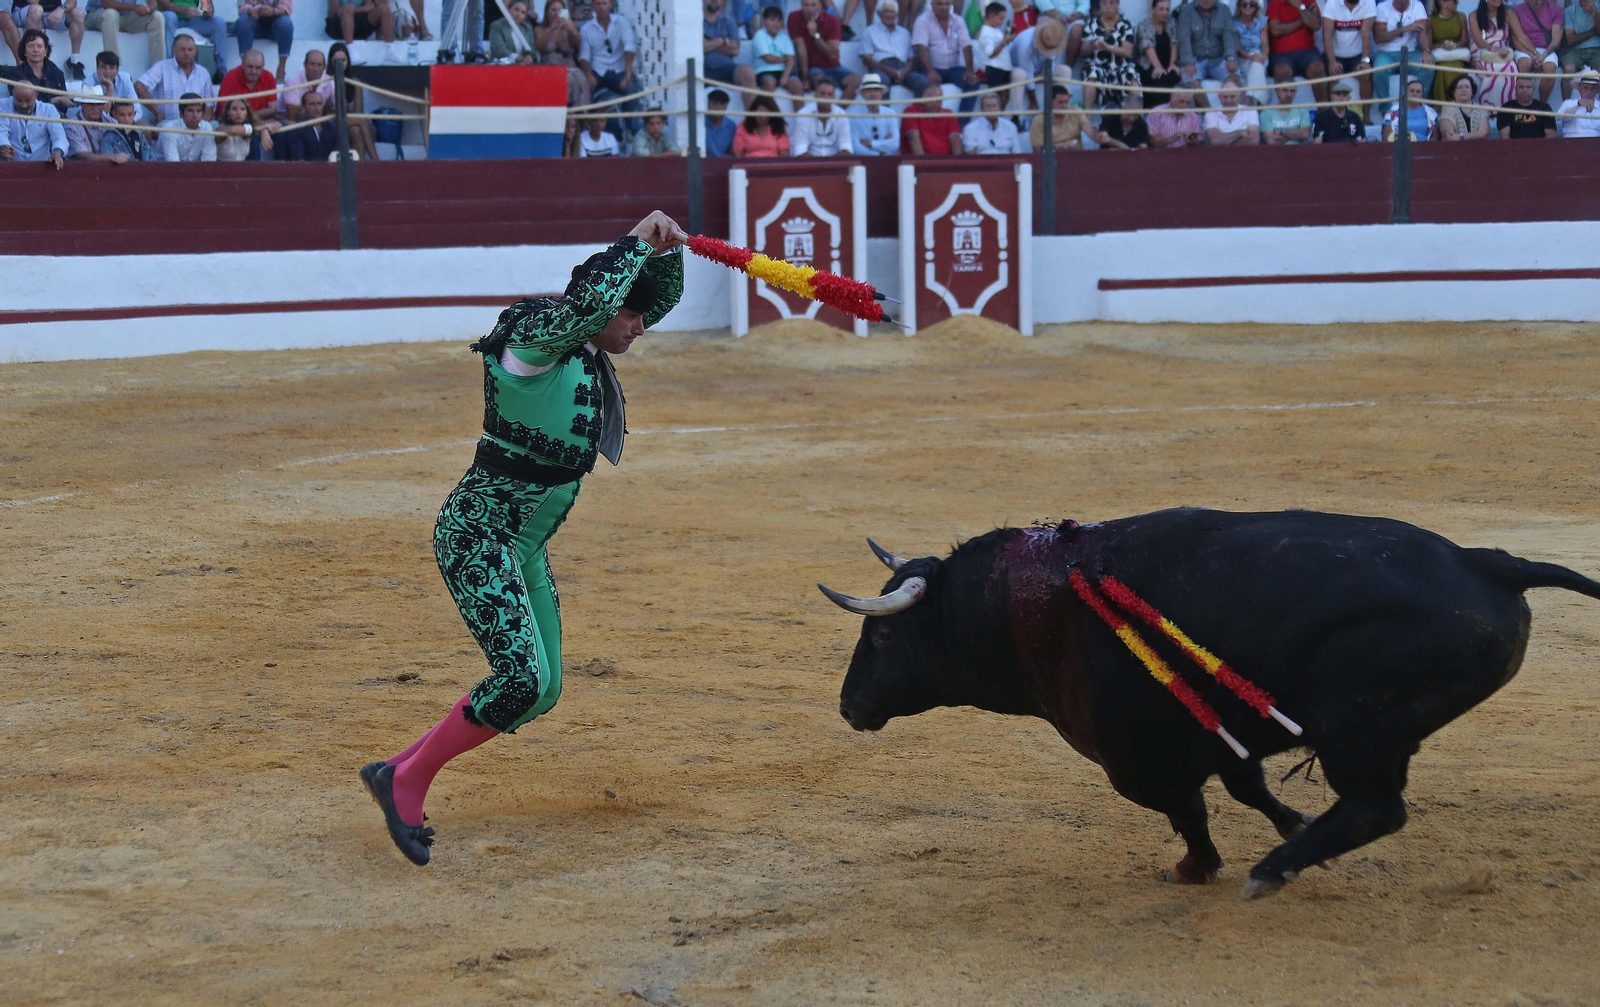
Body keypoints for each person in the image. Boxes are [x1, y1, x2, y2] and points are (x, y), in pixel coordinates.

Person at [359, 211, 688, 868]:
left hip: (523, 545)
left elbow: (659, 296)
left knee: (543, 687)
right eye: (630, 313)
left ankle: (397, 768)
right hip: (479, 537)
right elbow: (591, 302)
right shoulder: (532, 341)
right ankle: (407, 781)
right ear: (596, 306)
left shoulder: (587, 343)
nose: (640, 325)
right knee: (521, 677)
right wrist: (630, 243)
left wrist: (666, 252)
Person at [579, 0, 639, 138]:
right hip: (597, 71)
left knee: (631, 87)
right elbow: (584, 55)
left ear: (610, 5)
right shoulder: (586, 28)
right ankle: (584, 129)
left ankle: (630, 127)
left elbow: (629, 47)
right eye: (598, 4)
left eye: (604, 3)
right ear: (593, 6)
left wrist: (628, 72)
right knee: (583, 88)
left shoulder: (621, 22)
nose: (601, 7)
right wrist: (588, 75)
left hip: (618, 70)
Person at [912, 0, 977, 110]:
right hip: (931, 68)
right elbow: (921, 48)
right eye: (940, 3)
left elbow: (967, 46)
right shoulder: (922, 21)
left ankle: (961, 123)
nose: (943, 7)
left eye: (946, 4)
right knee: (923, 83)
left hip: (953, 69)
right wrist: (930, 70)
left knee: (972, 82)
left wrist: (970, 70)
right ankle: (922, 120)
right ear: (932, 4)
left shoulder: (958, 21)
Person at [134, 30, 212, 123]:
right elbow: (139, 86)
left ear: (195, 51)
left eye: (190, 50)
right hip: (168, 124)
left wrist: (201, 126)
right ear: (174, 51)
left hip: (196, 126)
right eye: (182, 49)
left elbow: (209, 107)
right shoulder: (162, 67)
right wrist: (157, 112)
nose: (187, 53)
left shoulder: (203, 72)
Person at [792, 0, 859, 98]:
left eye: (813, 5)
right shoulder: (794, 17)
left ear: (820, 5)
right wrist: (805, 77)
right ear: (801, 5)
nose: (809, 8)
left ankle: (837, 110)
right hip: (813, 68)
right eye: (806, 5)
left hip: (833, 67)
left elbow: (832, 52)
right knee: (822, 83)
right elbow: (801, 49)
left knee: (856, 81)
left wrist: (815, 35)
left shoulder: (832, 20)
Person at [1373, 0, 1433, 107]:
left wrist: (1426, 51)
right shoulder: (1382, 7)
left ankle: (1419, 105)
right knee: (1379, 71)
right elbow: (1379, 38)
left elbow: (1423, 32)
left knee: (1428, 68)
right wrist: (1404, 29)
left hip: (1410, 53)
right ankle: (1386, 110)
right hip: (1386, 53)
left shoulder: (1417, 5)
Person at [1321, 0, 1375, 117]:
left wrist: (1365, 61)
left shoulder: (1369, 2)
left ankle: (1366, 116)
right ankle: (1331, 115)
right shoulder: (1332, 3)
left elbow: (1366, 33)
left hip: (1357, 55)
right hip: (1336, 55)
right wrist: (1332, 62)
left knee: (1366, 74)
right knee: (1333, 74)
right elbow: (1327, 35)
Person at [1082, 0, 1138, 109]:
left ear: (1117, 5)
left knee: (1131, 74)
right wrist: (1094, 45)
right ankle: (1087, 117)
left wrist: (1108, 47)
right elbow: (1083, 51)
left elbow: (1127, 52)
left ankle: (1136, 115)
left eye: (1112, 3)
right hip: (1097, 64)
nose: (1108, 6)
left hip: (1121, 65)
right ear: (1100, 5)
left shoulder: (1126, 24)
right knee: (1092, 73)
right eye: (1104, 3)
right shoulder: (1091, 24)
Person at [1267, 0, 1327, 101]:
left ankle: (1323, 112)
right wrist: (1302, 21)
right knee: (1282, 71)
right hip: (1281, 54)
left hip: (1307, 51)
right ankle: (1284, 113)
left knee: (1318, 69)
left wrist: (1300, 6)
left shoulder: (1310, 1)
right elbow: (1275, 30)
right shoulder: (1275, 2)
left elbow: (1316, 25)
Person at [12, 0, 88, 78]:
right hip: (26, 11)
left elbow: (72, 2)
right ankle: (34, 63)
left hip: (52, 14)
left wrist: (61, 9)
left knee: (78, 14)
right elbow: (33, 1)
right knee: (37, 10)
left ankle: (74, 61)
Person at [1006, 17, 1067, 115]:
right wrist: (1033, 101)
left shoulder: (1054, 38)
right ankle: (1016, 116)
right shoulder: (1025, 44)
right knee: (1020, 74)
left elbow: (1050, 67)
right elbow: (1027, 72)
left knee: (1065, 70)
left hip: (1038, 72)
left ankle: (1061, 109)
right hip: (1019, 69)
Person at [536, 0, 589, 107]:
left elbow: (577, 44)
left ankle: (581, 117)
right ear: (547, 12)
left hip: (570, 66)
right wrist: (551, 29)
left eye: (559, 10)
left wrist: (571, 30)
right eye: (553, 10)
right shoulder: (539, 29)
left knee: (580, 80)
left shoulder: (571, 25)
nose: (556, 13)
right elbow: (540, 47)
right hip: (551, 66)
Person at [156, 0, 228, 80]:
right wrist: (186, 10)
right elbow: (163, 5)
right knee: (169, 16)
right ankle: (170, 69)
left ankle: (221, 72)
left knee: (219, 23)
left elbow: (207, 7)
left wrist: (206, 12)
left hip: (192, 20)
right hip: (173, 18)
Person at [84, 0, 166, 69]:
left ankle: (157, 70)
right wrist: (134, 7)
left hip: (125, 16)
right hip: (98, 13)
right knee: (111, 14)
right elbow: (107, 3)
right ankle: (114, 67)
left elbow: (153, 4)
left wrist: (147, 8)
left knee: (157, 17)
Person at [0, 82, 67, 166]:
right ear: (12, 94)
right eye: (18, 100)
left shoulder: (48, 110)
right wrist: (4, 147)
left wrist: (57, 153)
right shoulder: (2, 105)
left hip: (42, 166)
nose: (23, 105)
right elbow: (2, 131)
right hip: (10, 165)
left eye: (28, 101)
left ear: (36, 95)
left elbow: (59, 137)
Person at [1511, 0, 1564, 102]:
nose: (1537, 2)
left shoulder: (1556, 9)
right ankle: (1523, 102)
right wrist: (1534, 55)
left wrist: (1542, 56)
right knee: (1524, 63)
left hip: (1546, 49)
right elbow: (1516, 39)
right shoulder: (1517, 10)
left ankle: (1542, 105)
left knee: (1550, 68)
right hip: (1524, 49)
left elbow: (1556, 41)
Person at [4, 29, 69, 111]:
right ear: (24, 51)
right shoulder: (16, 74)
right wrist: (56, 100)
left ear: (46, 51)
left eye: (39, 46)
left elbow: (64, 104)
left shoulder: (55, 72)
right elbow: (22, 104)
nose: (35, 50)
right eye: (31, 46)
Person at [1176, 0, 1238, 84]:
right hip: (1195, 60)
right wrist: (1188, 62)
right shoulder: (1186, 11)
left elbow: (1229, 37)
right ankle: (1204, 98)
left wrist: (1230, 58)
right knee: (1191, 83)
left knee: (1235, 79)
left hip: (1218, 59)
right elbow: (1184, 39)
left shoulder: (1224, 10)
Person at [215, 48, 279, 126]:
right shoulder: (230, 77)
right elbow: (224, 111)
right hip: (232, 124)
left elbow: (272, 109)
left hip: (260, 122)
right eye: (250, 67)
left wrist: (247, 116)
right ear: (242, 64)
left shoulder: (269, 77)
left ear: (263, 67)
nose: (253, 71)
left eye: (258, 68)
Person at [64, 86, 129, 161]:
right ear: (82, 105)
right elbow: (83, 156)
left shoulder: (111, 122)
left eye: (99, 104)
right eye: (91, 104)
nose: (95, 108)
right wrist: (111, 157)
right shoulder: (72, 125)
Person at [792, 77, 855, 154]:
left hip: (835, 162)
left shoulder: (841, 115)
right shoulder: (803, 114)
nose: (826, 97)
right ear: (815, 94)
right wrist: (819, 165)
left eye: (830, 94)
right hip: (809, 163)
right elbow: (800, 149)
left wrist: (831, 164)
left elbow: (846, 146)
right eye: (822, 93)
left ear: (834, 97)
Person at [1470, 0, 1516, 106]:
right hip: (1482, 52)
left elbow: (1520, 34)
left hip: (1502, 52)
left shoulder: (1508, 12)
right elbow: (1479, 41)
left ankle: (1507, 107)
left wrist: (1534, 53)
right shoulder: (1474, 15)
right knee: (1494, 69)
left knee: (1511, 67)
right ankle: (1490, 108)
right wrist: (1494, 49)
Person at [1138, 0, 1182, 107]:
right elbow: (1148, 47)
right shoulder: (1144, 25)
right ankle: (1157, 114)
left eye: (1167, 9)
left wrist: (1172, 64)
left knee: (1173, 76)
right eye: (1161, 9)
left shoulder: (1171, 23)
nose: (1165, 12)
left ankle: (1171, 112)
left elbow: (1174, 43)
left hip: (1168, 64)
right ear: (1153, 10)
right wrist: (1158, 67)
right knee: (1159, 78)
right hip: (1150, 66)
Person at [702, 0, 755, 90]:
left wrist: (708, 44)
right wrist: (722, 41)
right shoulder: (695, 21)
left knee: (747, 72)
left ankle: (755, 104)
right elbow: (697, 48)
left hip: (726, 68)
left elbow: (735, 51)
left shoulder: (728, 21)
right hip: (703, 70)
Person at [235, 0, 292, 80]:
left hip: (275, 23)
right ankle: (244, 66)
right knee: (243, 21)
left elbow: (286, 7)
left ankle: (281, 70)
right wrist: (250, 10)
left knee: (285, 23)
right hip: (254, 21)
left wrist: (272, 11)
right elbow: (241, 5)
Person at [850, 72, 903, 154]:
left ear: (882, 93)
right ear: (862, 93)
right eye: (869, 91)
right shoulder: (853, 115)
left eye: (876, 90)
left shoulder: (890, 113)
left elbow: (895, 144)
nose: (873, 94)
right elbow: (855, 146)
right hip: (863, 161)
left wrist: (871, 144)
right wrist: (880, 152)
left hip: (888, 160)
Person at [902, 81, 963, 151]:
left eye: (938, 101)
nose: (934, 104)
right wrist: (923, 161)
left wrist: (955, 161)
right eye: (931, 100)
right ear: (922, 99)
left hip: (945, 160)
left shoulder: (948, 114)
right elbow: (913, 137)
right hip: (920, 160)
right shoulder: (911, 111)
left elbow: (955, 139)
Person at [156, 88, 215, 159]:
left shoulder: (207, 128)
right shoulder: (170, 128)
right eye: (190, 111)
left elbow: (208, 161)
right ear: (181, 113)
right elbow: (172, 163)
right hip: (164, 169)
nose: (195, 115)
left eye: (199, 111)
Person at [753, 4, 799, 93]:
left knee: (796, 85)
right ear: (765, 21)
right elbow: (769, 58)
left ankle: (801, 108)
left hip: (784, 70)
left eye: (779, 20)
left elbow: (791, 60)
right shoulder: (759, 35)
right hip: (764, 70)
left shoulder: (785, 36)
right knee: (769, 83)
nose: (776, 24)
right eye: (772, 20)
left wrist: (785, 77)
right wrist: (786, 59)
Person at [1232, 0, 1272, 98]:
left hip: (1259, 54)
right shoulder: (1233, 23)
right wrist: (1250, 57)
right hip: (1243, 56)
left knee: (1257, 65)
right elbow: (1237, 48)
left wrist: (1264, 56)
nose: (1248, 7)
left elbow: (1265, 44)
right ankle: (1259, 103)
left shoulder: (1262, 21)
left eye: (1252, 4)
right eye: (1244, 4)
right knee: (1257, 68)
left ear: (1256, 6)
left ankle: (1249, 99)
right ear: (1239, 7)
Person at [1498, 70, 1556, 134]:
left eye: (1528, 87)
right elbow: (1505, 137)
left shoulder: (1545, 108)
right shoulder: (1506, 109)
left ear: (1534, 89)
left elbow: (1550, 136)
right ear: (1515, 89)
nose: (1525, 90)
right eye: (1521, 87)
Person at [1204, 76, 1261, 142]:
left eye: (1232, 96)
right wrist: (1239, 133)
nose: (1229, 101)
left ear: (1239, 97)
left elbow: (1254, 140)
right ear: (1219, 97)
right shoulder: (1211, 113)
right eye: (1225, 97)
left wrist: (1224, 138)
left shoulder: (1250, 111)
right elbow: (1215, 141)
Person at [1147, 80, 1205, 144]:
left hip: (1186, 153)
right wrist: (1173, 138)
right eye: (1181, 101)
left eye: (1187, 103)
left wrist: (1193, 142)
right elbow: (1153, 143)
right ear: (1172, 98)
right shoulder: (1157, 113)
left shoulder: (1194, 117)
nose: (1184, 106)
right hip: (1162, 153)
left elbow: (1200, 143)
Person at [1564, 0, 1600, 98]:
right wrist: (1593, 32)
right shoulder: (1570, 11)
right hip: (1575, 50)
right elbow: (1570, 39)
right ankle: (1566, 104)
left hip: (1597, 49)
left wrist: (1595, 13)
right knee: (1568, 69)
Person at [91, 50, 142, 118]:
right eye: (103, 67)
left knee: (143, 125)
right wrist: (110, 87)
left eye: (112, 68)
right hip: (101, 124)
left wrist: (127, 122)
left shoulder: (125, 78)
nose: (107, 71)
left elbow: (137, 109)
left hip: (125, 121)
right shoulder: (89, 83)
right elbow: (101, 116)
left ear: (117, 70)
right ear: (97, 69)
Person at [976, 1, 1014, 93]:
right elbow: (991, 54)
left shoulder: (996, 30)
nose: (1002, 22)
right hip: (994, 68)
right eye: (1000, 18)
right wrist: (1004, 42)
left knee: (1005, 93)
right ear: (992, 15)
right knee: (995, 94)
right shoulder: (985, 33)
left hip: (1005, 67)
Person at [326, 0, 395, 48]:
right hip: (338, 26)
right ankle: (350, 49)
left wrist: (354, 10)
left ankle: (390, 49)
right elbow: (334, 11)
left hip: (358, 23)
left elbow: (368, 6)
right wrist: (351, 10)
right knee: (347, 8)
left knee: (384, 9)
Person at [1556, 65, 1600, 132]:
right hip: (1572, 140)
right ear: (1579, 88)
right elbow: (1560, 117)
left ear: (1597, 90)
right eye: (1586, 88)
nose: (1589, 92)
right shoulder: (1568, 103)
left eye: (1593, 88)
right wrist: (1578, 104)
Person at [703, 88, 736, 155]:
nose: (718, 107)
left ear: (726, 106)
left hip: (724, 163)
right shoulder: (700, 123)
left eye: (722, 103)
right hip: (702, 163)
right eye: (715, 103)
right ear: (708, 103)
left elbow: (732, 152)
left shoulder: (731, 126)